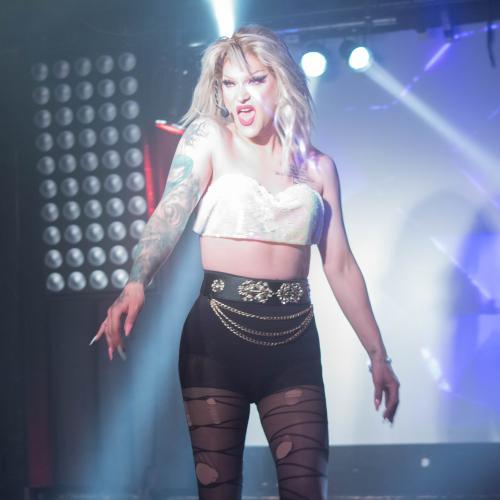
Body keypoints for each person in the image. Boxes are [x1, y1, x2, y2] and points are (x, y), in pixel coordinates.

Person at [91, 25, 400, 499]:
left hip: (293, 341)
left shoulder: (319, 168)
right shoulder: (210, 138)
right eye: (229, 83)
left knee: (307, 490)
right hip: (215, 340)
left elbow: (339, 266)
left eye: (255, 80)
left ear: (283, 82)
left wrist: (378, 355)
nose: (241, 95)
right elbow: (169, 214)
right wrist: (136, 281)